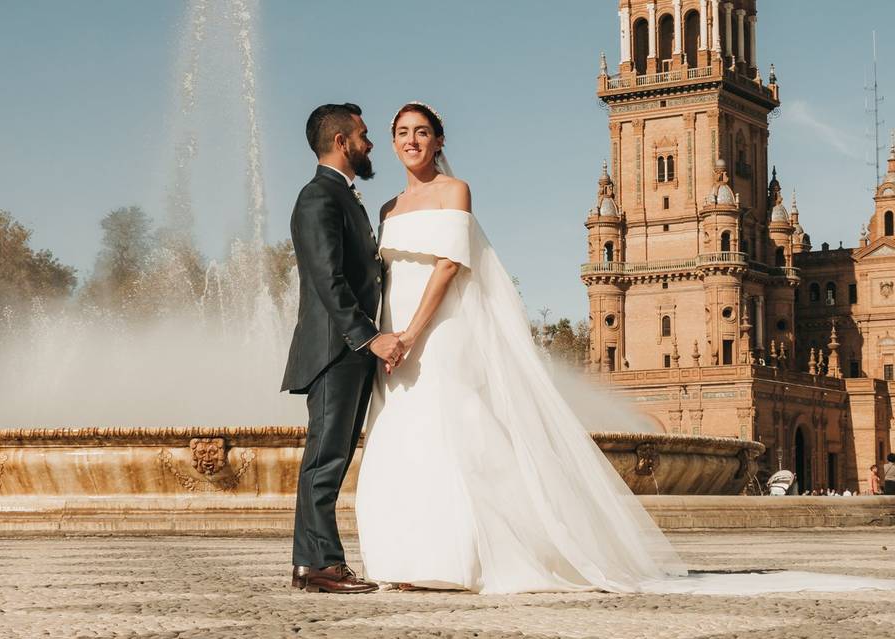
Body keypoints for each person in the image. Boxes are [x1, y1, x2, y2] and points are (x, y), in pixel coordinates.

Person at [353, 101, 895, 596]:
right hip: (394, 335)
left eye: (421, 131)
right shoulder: (389, 207)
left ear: (439, 138)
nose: (411, 140)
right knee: (408, 432)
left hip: (432, 332)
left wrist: (410, 333)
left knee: (454, 429)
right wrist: (380, 333)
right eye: (402, 132)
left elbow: (449, 264)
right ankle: (410, 554)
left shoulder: (455, 191)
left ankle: (455, 557)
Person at [281, 103, 405, 594]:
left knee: (331, 457)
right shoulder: (318, 198)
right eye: (363, 134)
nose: (370, 144)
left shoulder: (342, 197)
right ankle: (319, 565)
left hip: (349, 350)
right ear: (340, 142)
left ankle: (313, 563)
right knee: (325, 459)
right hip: (335, 350)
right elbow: (327, 280)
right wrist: (370, 336)